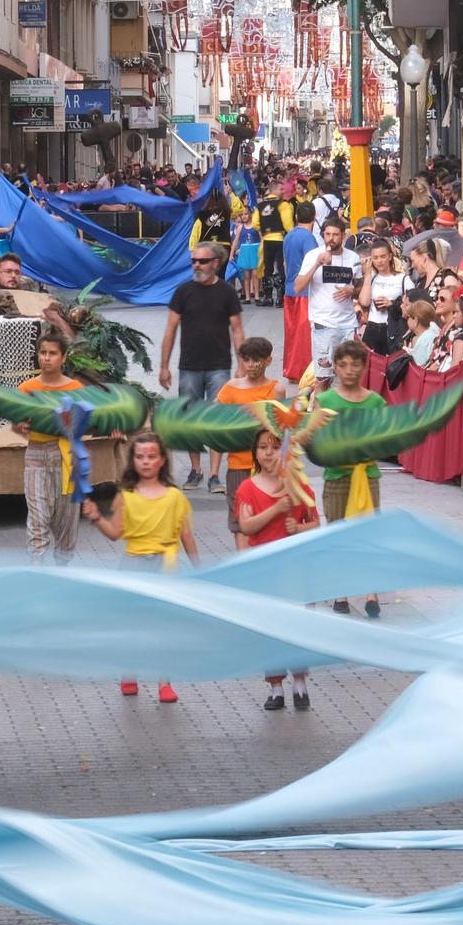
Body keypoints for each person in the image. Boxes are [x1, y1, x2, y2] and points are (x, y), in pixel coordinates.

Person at [81, 431, 196, 702]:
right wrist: (97, 517)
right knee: (134, 623)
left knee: (164, 626)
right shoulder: (127, 496)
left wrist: (200, 570)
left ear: (162, 461)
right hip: (133, 565)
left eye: (151, 456)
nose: (145, 462)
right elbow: (115, 533)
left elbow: (186, 535)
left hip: (166, 567)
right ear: (132, 461)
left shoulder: (174, 497)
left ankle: (164, 680)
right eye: (140, 456)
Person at [235, 426, 319, 710]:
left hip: (295, 570)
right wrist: (275, 509)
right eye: (263, 447)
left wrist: (298, 527)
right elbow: (246, 526)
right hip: (265, 571)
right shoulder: (247, 488)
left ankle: (300, 683)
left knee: (296, 627)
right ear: (255, 453)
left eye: (275, 446)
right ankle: (275, 687)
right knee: (268, 629)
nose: (269, 453)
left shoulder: (299, 486)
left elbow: (315, 525)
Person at [316, 340, 397, 618]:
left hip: (367, 474)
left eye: (355, 364)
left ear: (364, 366)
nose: (349, 370)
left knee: (368, 532)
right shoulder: (325, 400)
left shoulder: (375, 401)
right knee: (338, 531)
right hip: (337, 475)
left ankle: (371, 590)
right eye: (342, 365)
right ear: (335, 367)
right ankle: (341, 590)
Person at [158, 242, 244, 488]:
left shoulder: (227, 292)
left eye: (202, 261)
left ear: (216, 263)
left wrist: (242, 365)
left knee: (216, 420)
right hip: (189, 366)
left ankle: (215, 474)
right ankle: (195, 470)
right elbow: (170, 329)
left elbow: (237, 329)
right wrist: (164, 366)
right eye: (194, 260)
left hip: (219, 365)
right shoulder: (183, 292)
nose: (197, 265)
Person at [17, 330, 83, 566]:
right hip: (35, 454)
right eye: (42, 352)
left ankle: (62, 575)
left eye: (52, 353)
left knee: (66, 525)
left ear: (63, 358)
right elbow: (16, 424)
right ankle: (37, 576)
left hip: (66, 457)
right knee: (37, 520)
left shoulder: (75, 389)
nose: (46, 358)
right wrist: (20, 425)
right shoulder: (26, 389)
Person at [215, 337, 280, 534]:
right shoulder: (230, 389)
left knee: (266, 518)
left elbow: (279, 430)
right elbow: (216, 423)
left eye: (256, 360)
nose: (250, 365)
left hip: (267, 467)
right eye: (246, 360)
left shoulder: (276, 390)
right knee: (239, 522)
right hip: (238, 466)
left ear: (268, 361)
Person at [294, 218, 362, 387]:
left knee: (349, 378)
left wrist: (352, 290)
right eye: (328, 234)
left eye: (335, 235)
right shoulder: (312, 255)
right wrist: (317, 264)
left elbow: (360, 286)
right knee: (323, 380)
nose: (331, 238)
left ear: (343, 236)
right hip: (323, 325)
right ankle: (319, 412)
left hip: (348, 325)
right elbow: (298, 286)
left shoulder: (353, 257)